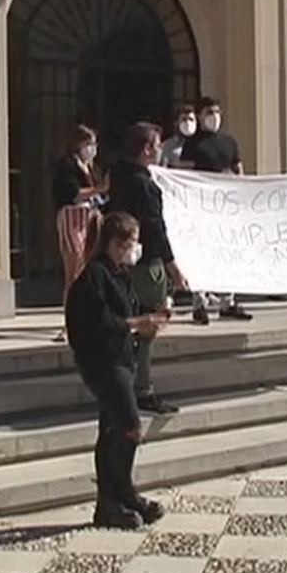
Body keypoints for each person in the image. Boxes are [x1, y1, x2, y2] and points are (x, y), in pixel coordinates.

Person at [65, 212, 170, 529]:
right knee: (130, 427)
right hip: (103, 362)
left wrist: (152, 317)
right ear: (114, 242)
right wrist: (137, 323)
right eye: (130, 242)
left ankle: (116, 498)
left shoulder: (121, 275)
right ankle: (116, 494)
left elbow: (128, 311)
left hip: (123, 358)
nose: (134, 249)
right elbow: (101, 321)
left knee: (111, 429)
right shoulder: (93, 276)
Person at [105, 122, 188, 415]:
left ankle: (123, 383)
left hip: (121, 261)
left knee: (126, 323)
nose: (159, 150)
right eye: (156, 145)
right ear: (146, 149)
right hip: (146, 264)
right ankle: (142, 389)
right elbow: (154, 228)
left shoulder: (118, 177)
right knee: (147, 326)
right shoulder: (144, 185)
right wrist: (172, 266)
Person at [184, 97, 253, 323]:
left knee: (228, 253)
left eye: (216, 111)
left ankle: (228, 302)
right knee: (201, 254)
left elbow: (238, 169)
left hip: (227, 210)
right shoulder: (192, 144)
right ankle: (200, 302)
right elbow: (184, 175)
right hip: (202, 208)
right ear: (200, 115)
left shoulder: (229, 141)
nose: (214, 116)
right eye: (209, 112)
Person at [52, 125, 106, 342]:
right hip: (73, 220)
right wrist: (99, 189)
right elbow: (72, 194)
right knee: (74, 273)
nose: (92, 148)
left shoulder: (93, 169)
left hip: (91, 219)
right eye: (88, 143)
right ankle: (69, 323)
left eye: (94, 144)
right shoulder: (67, 166)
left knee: (91, 270)